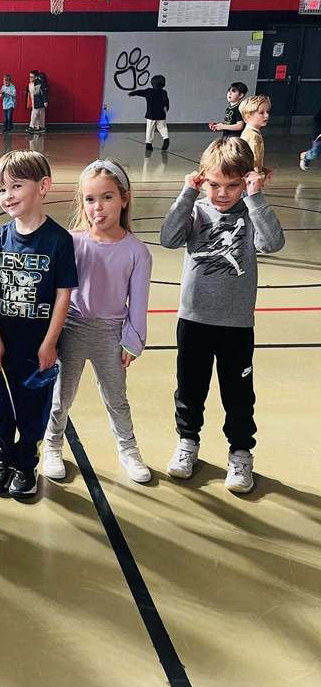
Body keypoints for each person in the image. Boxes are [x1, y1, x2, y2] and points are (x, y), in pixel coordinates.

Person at [160, 137, 285, 494]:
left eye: (233, 186)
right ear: (202, 179)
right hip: (194, 319)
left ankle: (241, 453)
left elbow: (273, 243)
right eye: (214, 185)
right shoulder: (198, 210)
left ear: (246, 181)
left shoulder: (251, 213)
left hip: (236, 325)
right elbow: (168, 237)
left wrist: (255, 197)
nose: (222, 194)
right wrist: (188, 194)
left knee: (238, 394)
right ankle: (187, 443)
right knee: (189, 388)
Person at [42, 160, 152, 484]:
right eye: (90, 199)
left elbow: (139, 304)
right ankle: (51, 446)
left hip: (110, 335)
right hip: (72, 329)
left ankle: (128, 450)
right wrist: (50, 335)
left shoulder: (138, 252)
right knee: (61, 396)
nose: (98, 207)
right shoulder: (71, 242)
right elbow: (57, 293)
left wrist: (133, 341)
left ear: (124, 198)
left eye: (106, 197)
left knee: (117, 398)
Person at [0, 150, 78, 497]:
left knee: (33, 407)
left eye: (15, 186)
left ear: (44, 186)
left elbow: (64, 296)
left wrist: (50, 342)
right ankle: (4, 456)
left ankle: (25, 463)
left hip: (38, 343)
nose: (7, 196)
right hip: (1, 341)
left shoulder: (59, 241)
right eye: (1, 190)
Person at [129, 74, 170, 153]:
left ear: (152, 83)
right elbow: (166, 101)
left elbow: (140, 92)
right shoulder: (164, 92)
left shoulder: (149, 91)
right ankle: (166, 138)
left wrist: (132, 93)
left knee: (150, 129)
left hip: (151, 114)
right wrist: (166, 107)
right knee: (163, 127)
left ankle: (149, 144)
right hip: (161, 114)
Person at [239, 94, 271, 172]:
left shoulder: (252, 133)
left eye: (267, 112)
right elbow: (253, 162)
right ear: (248, 116)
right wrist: (259, 175)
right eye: (261, 112)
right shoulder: (252, 136)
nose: (266, 115)